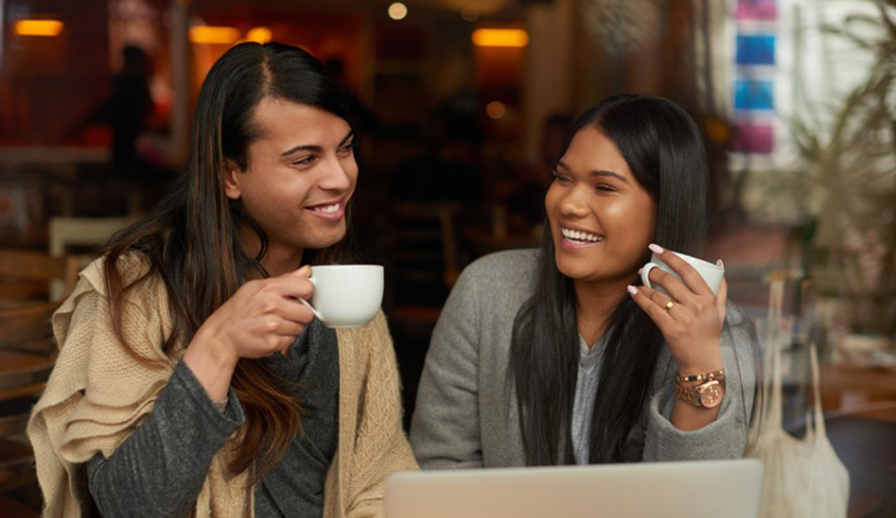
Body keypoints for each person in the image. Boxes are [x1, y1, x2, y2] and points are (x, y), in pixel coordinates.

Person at [28, 41, 417, 518]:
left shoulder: (351, 302)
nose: (339, 178)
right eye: (304, 160)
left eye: (345, 149)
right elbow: (125, 506)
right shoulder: (135, 291)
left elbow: (382, 480)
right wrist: (216, 345)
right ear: (229, 174)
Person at [409, 93, 759, 468]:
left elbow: (695, 503)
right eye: (562, 178)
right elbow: (439, 464)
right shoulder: (487, 292)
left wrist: (697, 367)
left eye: (604, 188)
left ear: (665, 206)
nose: (568, 204)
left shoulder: (717, 333)